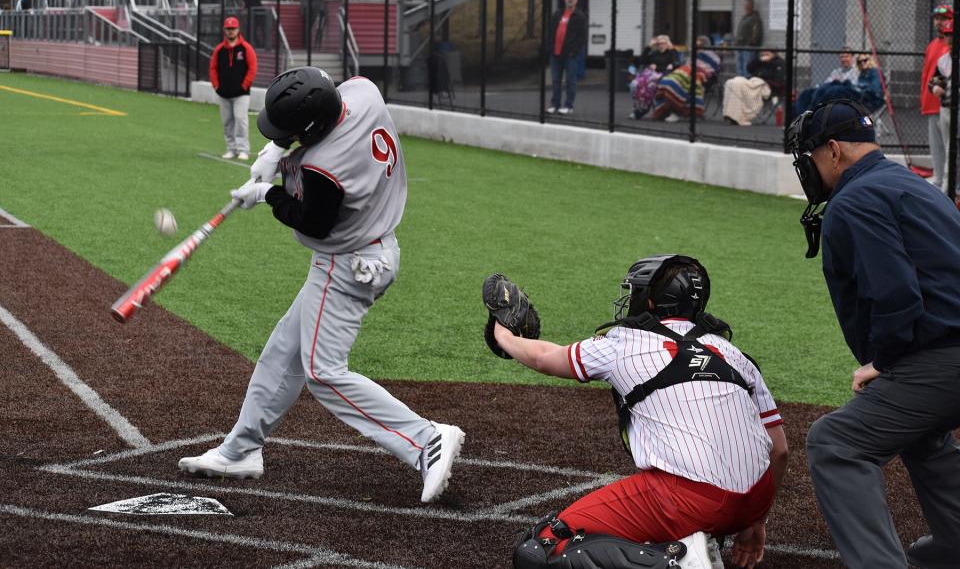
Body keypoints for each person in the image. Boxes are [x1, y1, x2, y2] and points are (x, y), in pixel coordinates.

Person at [178, 67, 466, 504]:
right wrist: (275, 150)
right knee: (284, 350)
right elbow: (336, 87)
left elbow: (310, 220)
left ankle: (425, 440)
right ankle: (241, 449)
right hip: (372, 245)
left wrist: (267, 195)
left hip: (348, 265)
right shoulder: (363, 94)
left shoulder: (325, 167)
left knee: (324, 373)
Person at [495, 255, 788, 569]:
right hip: (754, 500)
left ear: (648, 300)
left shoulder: (625, 342)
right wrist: (755, 520)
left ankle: (681, 561)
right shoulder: (733, 354)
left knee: (542, 549)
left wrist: (504, 334)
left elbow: (545, 358)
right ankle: (690, 542)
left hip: (686, 501)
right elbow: (780, 450)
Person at [787, 99, 960, 568]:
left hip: (941, 357)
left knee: (836, 442)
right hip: (945, 356)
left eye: (810, 156)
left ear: (835, 150)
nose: (808, 168)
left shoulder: (856, 199)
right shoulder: (911, 184)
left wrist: (882, 361)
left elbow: (897, 296)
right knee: (922, 436)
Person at [210, 16, 258, 161]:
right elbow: (213, 68)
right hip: (223, 93)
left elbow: (252, 68)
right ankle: (231, 149)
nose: (231, 31)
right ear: (225, 30)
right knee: (227, 121)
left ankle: (243, 149)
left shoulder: (246, 48)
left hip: (241, 94)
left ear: (238, 29)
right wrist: (216, 85)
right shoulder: (219, 50)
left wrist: (244, 85)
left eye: (233, 28)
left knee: (241, 120)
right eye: (228, 29)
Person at [652, 36, 721, 122]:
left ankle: (676, 111)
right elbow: (687, 65)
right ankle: (666, 109)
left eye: (700, 42)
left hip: (701, 74)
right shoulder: (694, 53)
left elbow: (711, 69)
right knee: (669, 80)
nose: (697, 43)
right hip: (686, 71)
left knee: (690, 82)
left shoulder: (713, 56)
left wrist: (699, 68)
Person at [924, 5, 954, 191]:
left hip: (947, 105)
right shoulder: (933, 46)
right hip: (935, 103)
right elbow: (933, 77)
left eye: (944, 18)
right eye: (937, 18)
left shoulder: (947, 49)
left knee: (950, 146)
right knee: (938, 147)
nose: (940, 22)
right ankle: (940, 180)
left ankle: (948, 183)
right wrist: (933, 88)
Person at [546, 0, 587, 115]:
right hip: (555, 54)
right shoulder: (557, 14)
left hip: (570, 55)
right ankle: (555, 104)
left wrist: (574, 51)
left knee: (570, 80)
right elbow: (551, 31)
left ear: (576, 0)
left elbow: (582, 37)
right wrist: (550, 48)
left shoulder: (580, 16)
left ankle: (569, 106)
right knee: (556, 80)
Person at [722, 50, 785, 126]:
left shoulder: (778, 63)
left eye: (767, 54)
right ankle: (731, 113)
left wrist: (762, 76)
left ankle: (741, 116)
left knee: (740, 84)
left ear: (773, 54)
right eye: (763, 54)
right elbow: (749, 68)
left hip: (766, 86)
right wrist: (759, 60)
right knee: (732, 82)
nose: (765, 55)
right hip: (753, 81)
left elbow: (778, 80)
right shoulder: (760, 62)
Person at [931, 18, 958, 195]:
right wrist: (935, 87)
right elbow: (934, 80)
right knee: (949, 146)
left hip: (958, 109)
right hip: (946, 108)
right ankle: (948, 187)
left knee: (953, 149)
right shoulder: (943, 60)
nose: (948, 38)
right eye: (946, 35)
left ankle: (950, 187)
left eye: (951, 35)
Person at [791, 49, 859, 116]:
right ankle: (799, 115)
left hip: (842, 95)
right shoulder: (836, 71)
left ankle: (811, 114)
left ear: (852, 57)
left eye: (846, 56)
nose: (843, 59)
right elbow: (827, 83)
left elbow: (854, 87)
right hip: (829, 91)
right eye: (841, 57)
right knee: (808, 91)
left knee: (825, 91)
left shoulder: (856, 71)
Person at [628, 35, 680, 120]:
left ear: (667, 44)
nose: (661, 45)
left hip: (665, 77)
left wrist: (671, 50)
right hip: (651, 76)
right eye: (658, 43)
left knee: (652, 86)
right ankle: (639, 109)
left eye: (663, 43)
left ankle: (660, 111)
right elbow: (641, 61)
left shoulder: (671, 53)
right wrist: (649, 47)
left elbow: (676, 63)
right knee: (634, 84)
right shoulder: (654, 53)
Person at [735, 0, 763, 78]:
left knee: (747, 70)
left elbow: (756, 34)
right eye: (745, 5)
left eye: (747, 5)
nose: (745, 7)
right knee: (739, 70)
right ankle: (741, 85)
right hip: (740, 47)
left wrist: (750, 44)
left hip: (748, 48)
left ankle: (747, 86)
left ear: (751, 6)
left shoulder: (755, 18)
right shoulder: (744, 17)